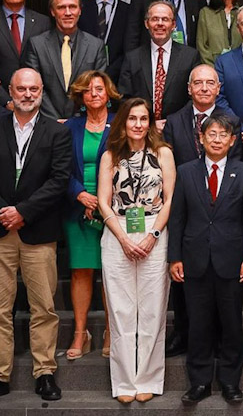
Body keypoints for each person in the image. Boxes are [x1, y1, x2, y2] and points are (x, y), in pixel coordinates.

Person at [0, 68, 71, 404]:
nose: (28, 94)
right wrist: (4, 211)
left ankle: (44, 372)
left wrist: (23, 211)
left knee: (44, 307)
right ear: (8, 91)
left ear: (42, 91)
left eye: (34, 89)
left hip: (37, 232)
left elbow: (58, 181)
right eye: (21, 88)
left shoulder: (57, 133)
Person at [169, 114, 243, 404]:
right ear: (201, 139)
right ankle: (200, 382)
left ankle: (231, 382)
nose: (217, 139)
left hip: (231, 260)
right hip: (194, 260)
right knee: (198, 324)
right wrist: (175, 257)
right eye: (212, 134)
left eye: (224, 135)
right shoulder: (185, 172)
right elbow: (178, 218)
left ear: (233, 141)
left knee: (232, 324)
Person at [97, 97, 177, 404]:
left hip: (154, 231)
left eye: (144, 119)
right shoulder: (110, 155)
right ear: (123, 122)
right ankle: (124, 383)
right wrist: (122, 237)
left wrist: (153, 234)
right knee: (120, 310)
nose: (138, 124)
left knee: (153, 308)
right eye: (132, 119)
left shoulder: (163, 152)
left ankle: (148, 379)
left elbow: (169, 198)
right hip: (117, 230)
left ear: (151, 122)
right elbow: (103, 200)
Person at [159, 63, 242, 357]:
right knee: (186, 285)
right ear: (189, 88)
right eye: (198, 83)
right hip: (187, 208)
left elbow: (238, 166)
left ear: (219, 88)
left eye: (210, 83)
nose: (205, 88)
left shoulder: (232, 120)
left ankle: (219, 338)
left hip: (222, 211)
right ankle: (182, 333)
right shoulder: (174, 121)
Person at [61, 70, 118, 361]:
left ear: (108, 93)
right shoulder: (70, 127)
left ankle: (111, 331)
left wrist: (104, 201)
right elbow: (60, 168)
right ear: (81, 96)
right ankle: (80, 333)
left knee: (112, 272)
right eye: (88, 90)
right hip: (78, 207)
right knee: (81, 271)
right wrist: (80, 194)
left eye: (99, 89)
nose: (94, 94)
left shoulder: (120, 124)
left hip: (115, 208)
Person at [21, 0, 108, 120]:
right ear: (52, 11)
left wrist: (75, 120)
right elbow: (34, 88)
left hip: (83, 122)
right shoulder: (36, 45)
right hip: (46, 122)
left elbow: (96, 89)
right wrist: (54, 120)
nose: (68, 12)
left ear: (79, 10)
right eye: (61, 7)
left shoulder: (95, 46)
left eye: (72, 7)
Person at [118, 1, 201, 122]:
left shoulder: (190, 56)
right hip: (142, 129)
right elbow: (124, 98)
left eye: (165, 19)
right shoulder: (133, 58)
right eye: (155, 19)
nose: (160, 24)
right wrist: (147, 123)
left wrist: (173, 123)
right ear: (147, 24)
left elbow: (194, 97)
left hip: (178, 128)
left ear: (173, 25)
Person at [79, 0, 130, 82]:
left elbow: (130, 48)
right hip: (85, 76)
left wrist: (110, 73)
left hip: (117, 78)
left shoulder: (128, 11)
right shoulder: (81, 8)